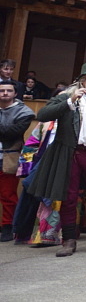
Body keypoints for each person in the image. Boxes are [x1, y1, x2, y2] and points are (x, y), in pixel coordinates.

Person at [27, 62, 86, 256]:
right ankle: (69, 240)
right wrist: (69, 102)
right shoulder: (66, 97)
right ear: (83, 80)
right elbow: (43, 115)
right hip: (71, 154)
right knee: (69, 198)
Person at [0, 80, 35, 241]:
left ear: (15, 94)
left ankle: (8, 227)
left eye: (8, 91)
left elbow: (13, 133)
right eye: (2, 91)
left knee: (8, 194)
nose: (5, 93)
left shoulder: (24, 112)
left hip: (8, 157)